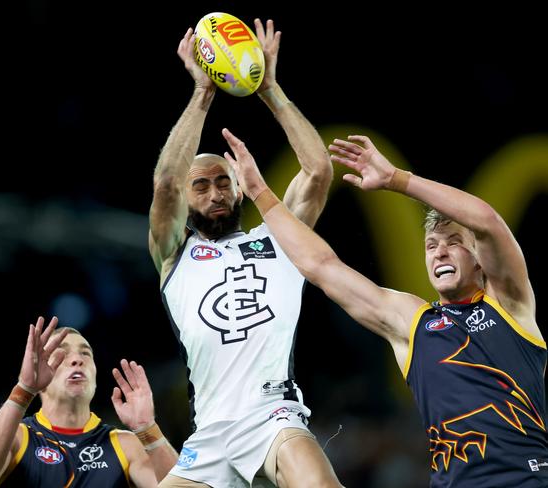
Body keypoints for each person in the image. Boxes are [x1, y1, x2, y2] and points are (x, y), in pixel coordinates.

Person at [221, 127, 548, 487]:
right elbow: (322, 266)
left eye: (454, 242)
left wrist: (396, 179)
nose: (439, 251)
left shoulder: (509, 305)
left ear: (480, 260)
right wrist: (260, 193)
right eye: (430, 245)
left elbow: (486, 221)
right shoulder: (412, 321)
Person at [150, 18, 343, 488]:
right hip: (210, 432)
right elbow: (167, 183)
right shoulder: (173, 254)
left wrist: (270, 90)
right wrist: (203, 92)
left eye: (224, 182)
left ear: (240, 191)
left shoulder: (278, 239)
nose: (215, 192)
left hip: (272, 415)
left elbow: (317, 171)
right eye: (203, 185)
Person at [0, 316, 178, 487]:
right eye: (62, 354)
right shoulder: (17, 437)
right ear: (39, 367)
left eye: (86, 354)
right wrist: (23, 389)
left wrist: (149, 429)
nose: (77, 359)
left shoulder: (126, 445)